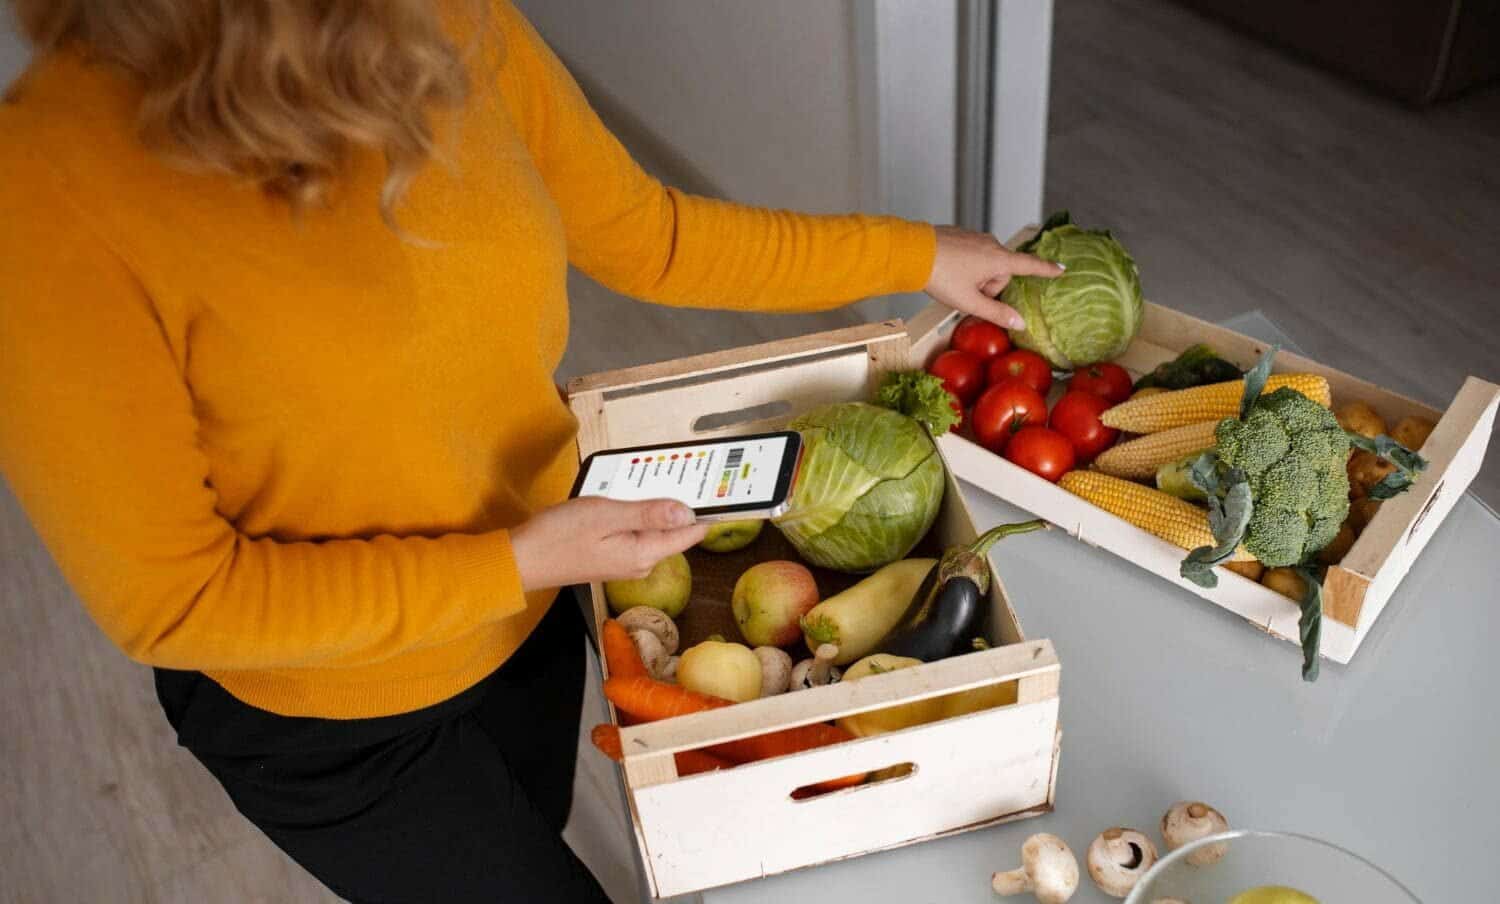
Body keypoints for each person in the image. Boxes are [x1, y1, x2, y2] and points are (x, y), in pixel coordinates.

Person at [0, 1, 1061, 901]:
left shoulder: (448, 18)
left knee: (531, 819)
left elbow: (650, 233)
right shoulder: (49, 187)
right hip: (331, 723)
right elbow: (176, 602)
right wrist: (514, 561)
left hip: (530, 620)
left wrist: (914, 251)